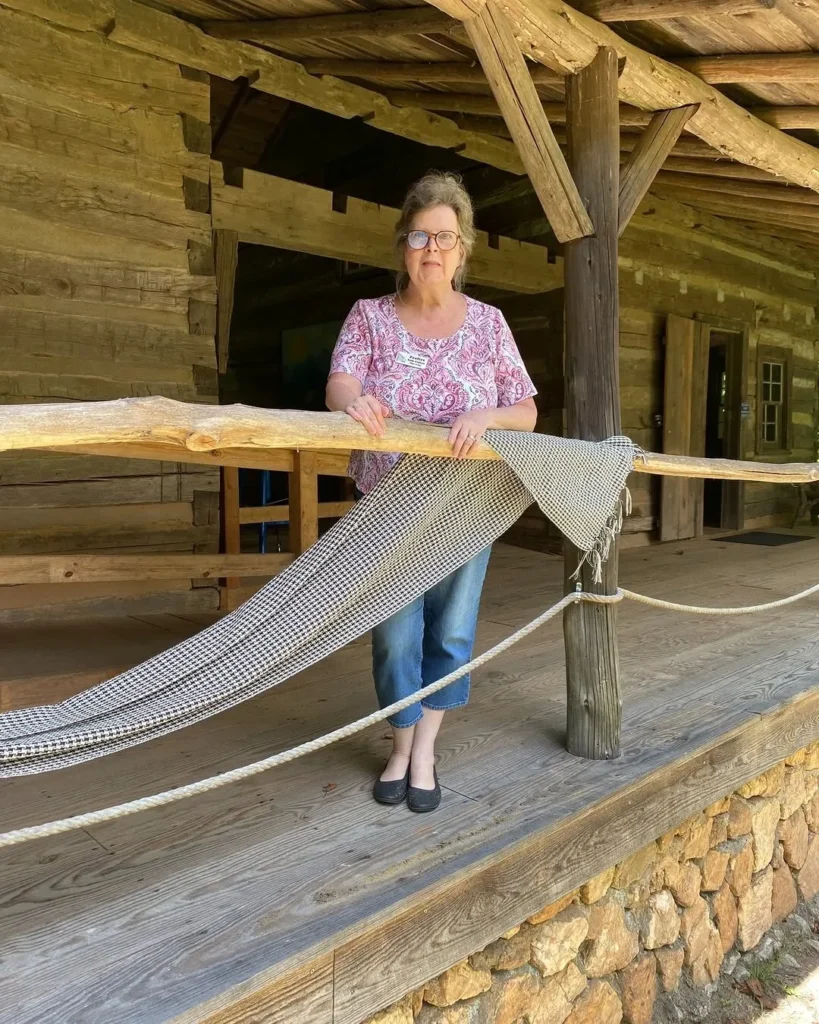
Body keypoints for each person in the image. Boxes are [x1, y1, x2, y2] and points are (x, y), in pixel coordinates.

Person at [326, 171, 537, 813]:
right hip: (388, 511)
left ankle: (424, 752)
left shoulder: (490, 325)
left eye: (444, 237)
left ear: (462, 248)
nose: (432, 249)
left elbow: (526, 411)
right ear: (403, 247)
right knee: (394, 635)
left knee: (449, 633)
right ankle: (399, 744)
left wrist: (487, 416)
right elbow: (340, 382)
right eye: (420, 236)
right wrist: (354, 400)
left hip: (466, 509)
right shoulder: (369, 317)